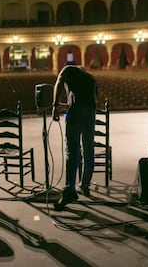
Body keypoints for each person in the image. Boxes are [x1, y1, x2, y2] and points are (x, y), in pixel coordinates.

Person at [52, 59, 98, 211]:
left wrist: (55, 106)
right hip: (90, 113)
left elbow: (59, 83)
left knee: (72, 150)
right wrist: (69, 106)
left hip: (77, 111)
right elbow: (92, 100)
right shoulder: (90, 78)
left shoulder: (68, 69)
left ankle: (69, 190)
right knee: (88, 149)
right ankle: (84, 185)